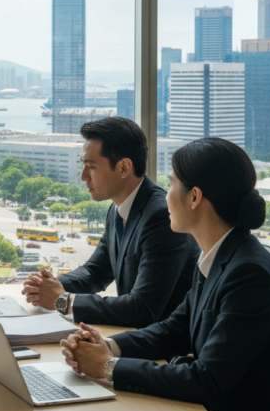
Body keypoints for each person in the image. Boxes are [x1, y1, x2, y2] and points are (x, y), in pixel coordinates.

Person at [60, 138, 270, 411]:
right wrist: (109, 346)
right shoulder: (220, 254)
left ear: (195, 197)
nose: (165, 195)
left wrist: (108, 367)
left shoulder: (250, 275)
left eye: (171, 184)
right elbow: (175, 329)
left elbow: (205, 380)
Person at [21, 116, 198, 328]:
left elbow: (142, 308)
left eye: (91, 166)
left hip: (166, 350)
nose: (83, 176)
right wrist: (47, 286)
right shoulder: (118, 208)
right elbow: (96, 271)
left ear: (124, 168)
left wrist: (63, 301)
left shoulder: (161, 217)